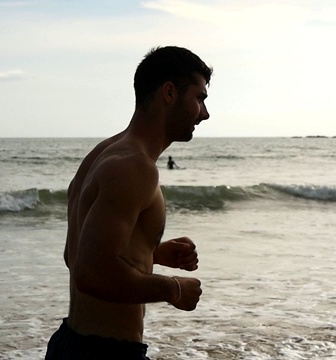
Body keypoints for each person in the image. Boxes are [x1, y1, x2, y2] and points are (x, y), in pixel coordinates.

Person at [45, 46, 212, 360]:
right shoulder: (135, 167)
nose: (204, 113)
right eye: (200, 98)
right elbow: (90, 273)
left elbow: (76, 254)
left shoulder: (103, 153)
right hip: (107, 354)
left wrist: (150, 253)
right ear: (169, 92)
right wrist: (173, 289)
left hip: (71, 344)